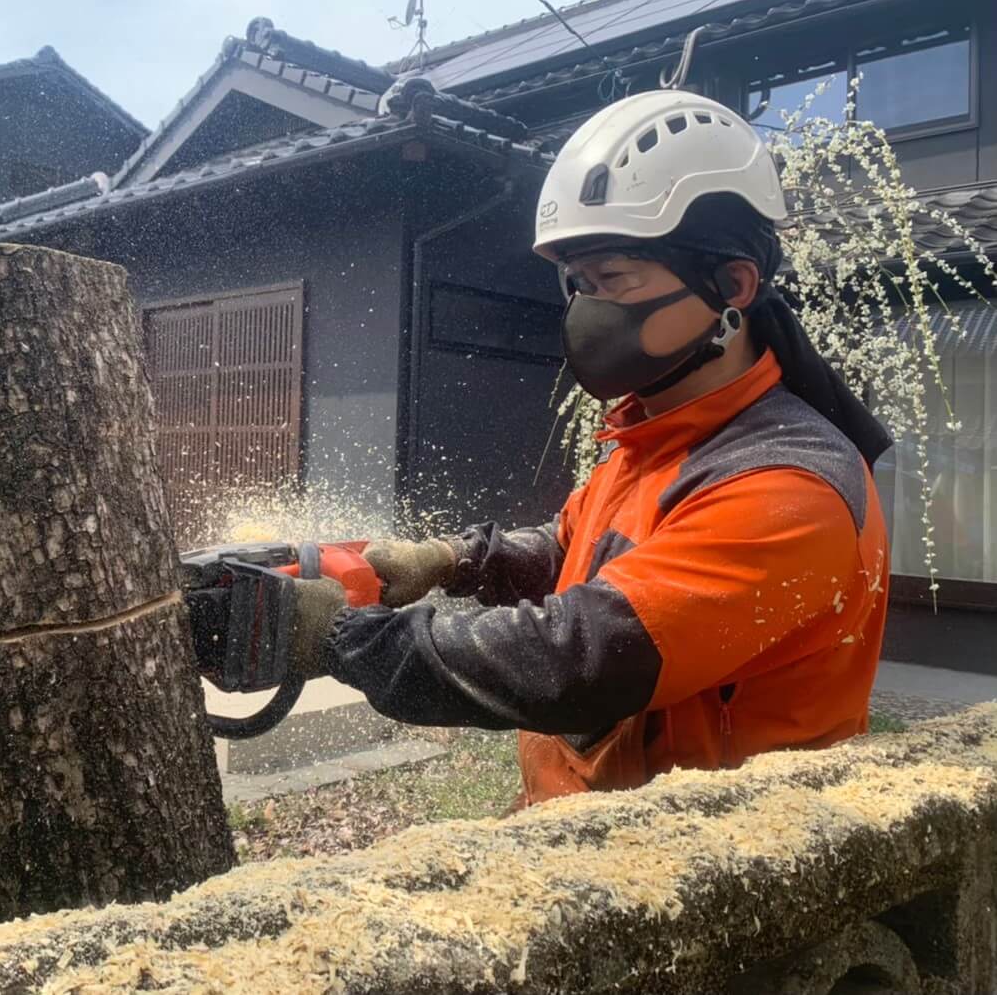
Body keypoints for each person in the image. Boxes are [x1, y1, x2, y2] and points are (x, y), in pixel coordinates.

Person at [291, 89, 893, 807]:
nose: (585, 311)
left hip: (705, 874)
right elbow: (573, 548)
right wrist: (451, 562)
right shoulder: (650, 440)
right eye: (577, 285)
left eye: (612, 281)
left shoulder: (788, 484)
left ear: (732, 285)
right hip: (596, 836)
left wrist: (337, 639)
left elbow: (582, 660)